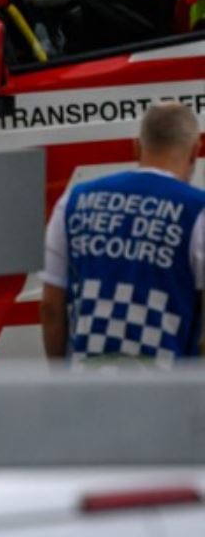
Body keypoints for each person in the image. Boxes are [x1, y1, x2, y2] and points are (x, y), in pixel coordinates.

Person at [41, 100, 205, 361]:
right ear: (196, 151)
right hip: (168, 391)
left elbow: (51, 308)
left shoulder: (73, 201)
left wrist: (62, 381)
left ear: (136, 147)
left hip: (90, 386)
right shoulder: (197, 211)